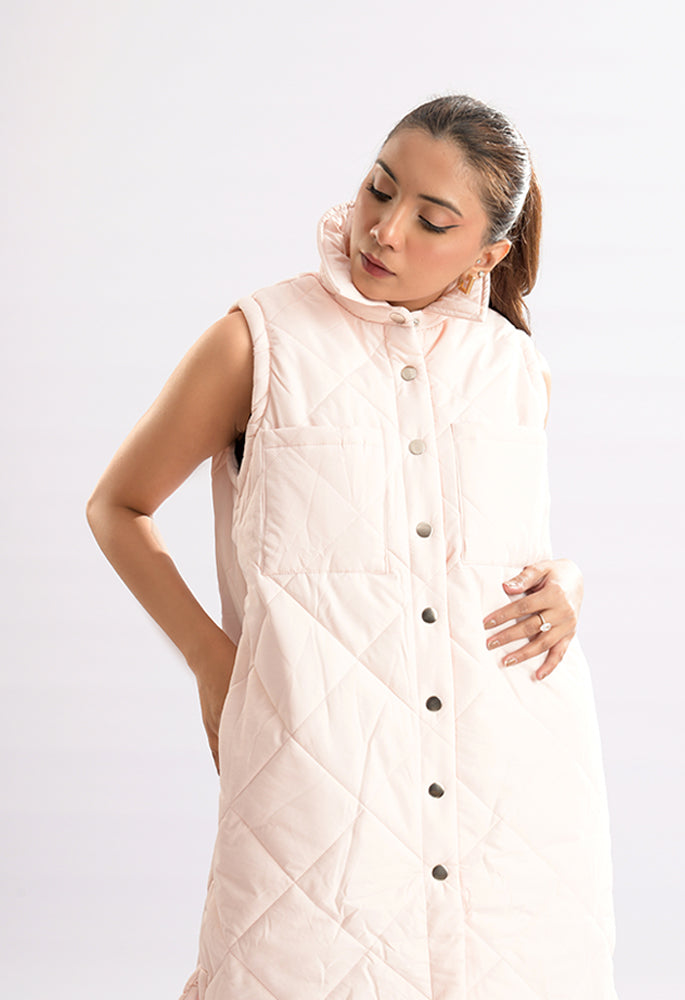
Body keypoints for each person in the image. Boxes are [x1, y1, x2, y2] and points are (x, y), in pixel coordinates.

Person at [87, 94, 618, 999]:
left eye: (432, 220)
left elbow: (503, 552)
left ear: (487, 255)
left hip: (510, 779)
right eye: (379, 188)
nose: (385, 230)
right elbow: (118, 506)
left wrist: (568, 582)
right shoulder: (260, 340)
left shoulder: (515, 367)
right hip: (322, 764)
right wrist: (214, 663)